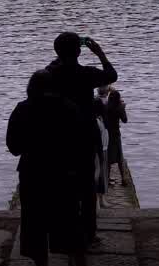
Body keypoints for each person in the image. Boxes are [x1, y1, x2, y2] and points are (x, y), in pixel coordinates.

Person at [7, 70, 102, 266]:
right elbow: (81, 144)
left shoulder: (22, 109)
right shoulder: (68, 108)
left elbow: (14, 146)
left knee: (35, 228)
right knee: (72, 228)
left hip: (33, 176)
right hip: (63, 176)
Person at [46, 32, 117, 246]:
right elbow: (111, 75)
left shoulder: (50, 73)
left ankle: (63, 230)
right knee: (87, 187)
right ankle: (89, 234)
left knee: (61, 184)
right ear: (79, 51)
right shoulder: (86, 73)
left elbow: (52, 65)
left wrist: (63, 54)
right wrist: (99, 52)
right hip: (85, 134)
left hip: (59, 135)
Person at [104, 88, 128, 186]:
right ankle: (123, 179)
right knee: (119, 157)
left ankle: (107, 178)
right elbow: (125, 120)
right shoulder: (119, 108)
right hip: (116, 134)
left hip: (107, 134)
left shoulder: (106, 107)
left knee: (108, 157)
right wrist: (123, 108)